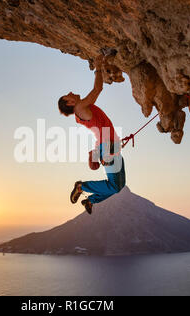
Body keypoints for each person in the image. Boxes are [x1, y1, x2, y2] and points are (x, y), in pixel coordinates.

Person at [57, 56, 126, 215]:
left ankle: (89, 200)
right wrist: (98, 67)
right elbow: (97, 90)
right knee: (114, 186)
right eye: (67, 96)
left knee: (119, 186)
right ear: (69, 103)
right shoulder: (80, 108)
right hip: (107, 146)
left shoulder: (82, 109)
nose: (70, 92)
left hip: (110, 145)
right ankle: (82, 187)